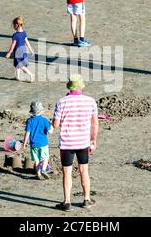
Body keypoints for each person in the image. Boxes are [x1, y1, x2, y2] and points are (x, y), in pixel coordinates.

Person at [52, 74, 98, 211]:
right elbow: (95, 124)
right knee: (84, 170)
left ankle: (66, 202)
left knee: (67, 172)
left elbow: (55, 124)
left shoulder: (61, 102)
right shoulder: (91, 101)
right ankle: (87, 199)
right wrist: (93, 140)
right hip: (83, 143)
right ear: (81, 86)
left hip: (67, 144)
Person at [23, 102, 53, 180]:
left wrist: (25, 143)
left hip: (33, 144)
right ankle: (43, 169)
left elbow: (27, 133)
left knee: (36, 160)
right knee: (45, 158)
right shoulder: (44, 120)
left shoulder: (29, 121)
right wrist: (52, 127)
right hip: (43, 143)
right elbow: (50, 131)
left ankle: (38, 174)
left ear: (32, 111)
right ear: (41, 111)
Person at [5, 16, 35, 82]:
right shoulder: (24, 33)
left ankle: (31, 74)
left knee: (19, 65)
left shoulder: (15, 35)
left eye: (13, 25)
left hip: (18, 52)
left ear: (16, 25)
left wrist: (9, 53)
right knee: (18, 65)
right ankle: (17, 77)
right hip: (24, 51)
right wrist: (31, 49)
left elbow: (13, 45)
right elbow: (27, 41)